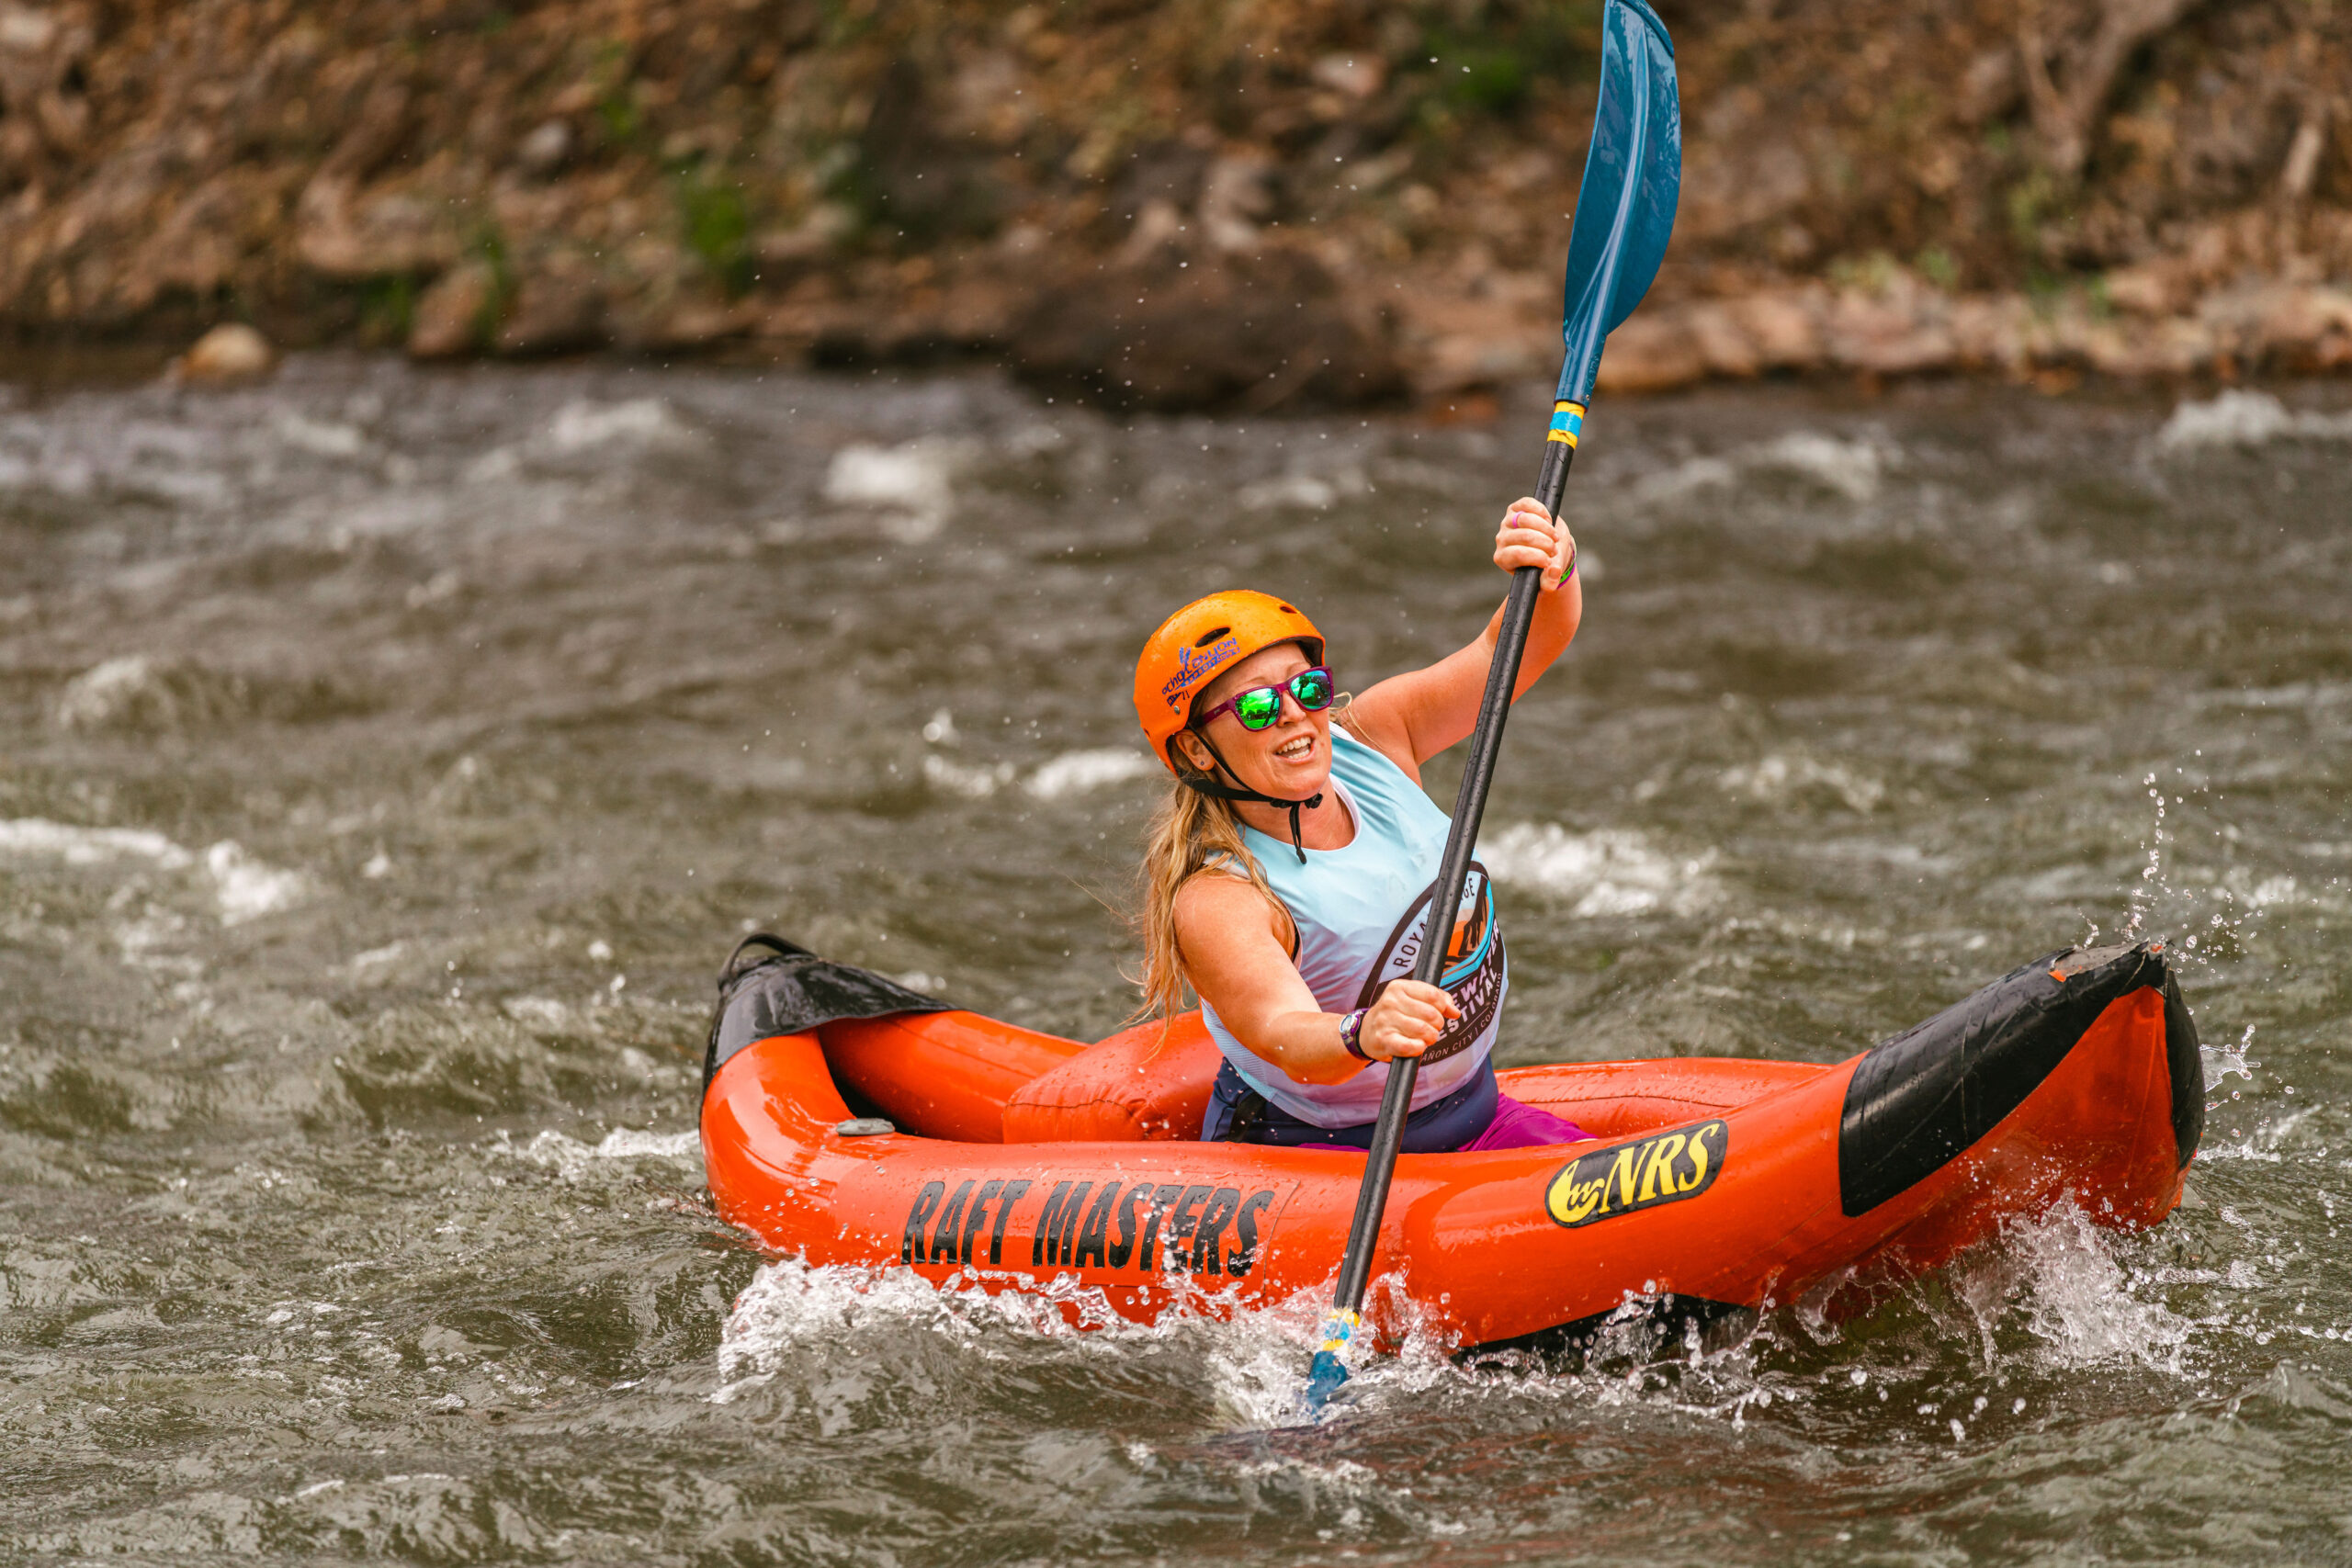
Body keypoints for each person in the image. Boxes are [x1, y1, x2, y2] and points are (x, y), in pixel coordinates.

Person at [1128, 496, 1597, 1153]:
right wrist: (1362, 1032)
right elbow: (1283, 1031)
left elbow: (1517, 644)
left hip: (1476, 1115)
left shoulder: (1378, 737)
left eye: (1307, 687)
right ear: (1198, 752)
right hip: (1319, 1156)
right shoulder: (1219, 894)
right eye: (1259, 706)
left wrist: (1554, 564)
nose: (1295, 714)